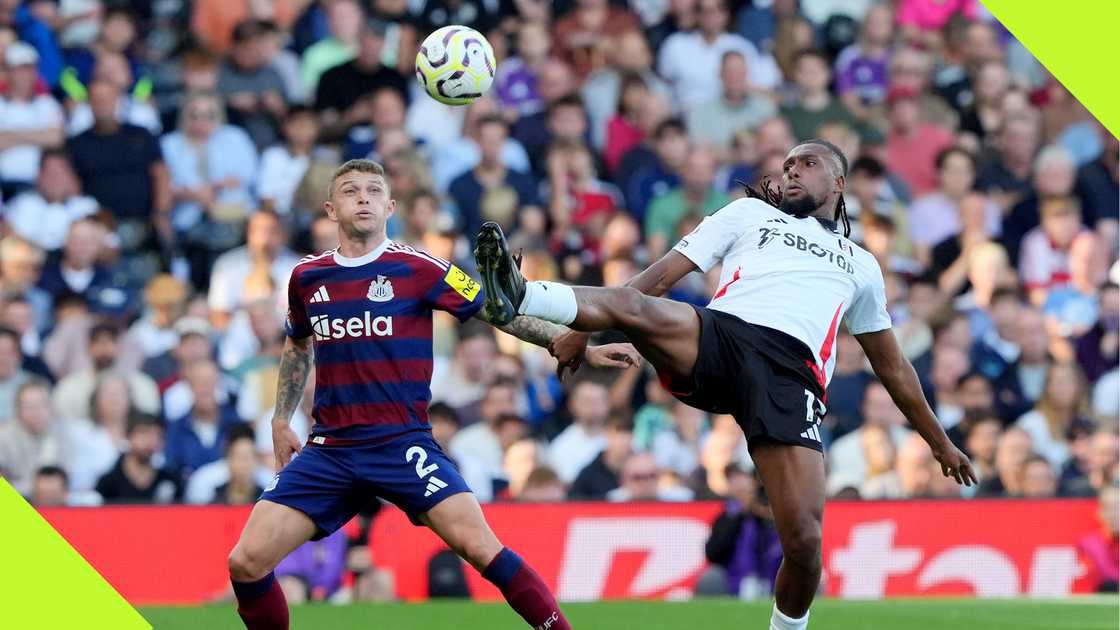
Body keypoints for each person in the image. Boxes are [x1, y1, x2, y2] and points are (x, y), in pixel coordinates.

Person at [475, 138, 975, 630]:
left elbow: (892, 366)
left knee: (803, 542)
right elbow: (659, 277)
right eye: (788, 164)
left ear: (839, 182)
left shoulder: (861, 264)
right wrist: (579, 333)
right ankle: (523, 293)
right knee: (634, 305)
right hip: (721, 339)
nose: (792, 171)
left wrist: (940, 443)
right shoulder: (747, 215)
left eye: (808, 163)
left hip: (790, 375)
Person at [226, 159, 638, 630]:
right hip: (331, 450)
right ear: (330, 208)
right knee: (246, 562)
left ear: (390, 206)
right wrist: (281, 418)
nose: (363, 198)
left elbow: (495, 309)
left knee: (482, 549)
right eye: (351, 191)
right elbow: (298, 342)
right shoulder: (307, 277)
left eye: (373, 191)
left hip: (403, 444)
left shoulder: (419, 266)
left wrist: (559, 339)